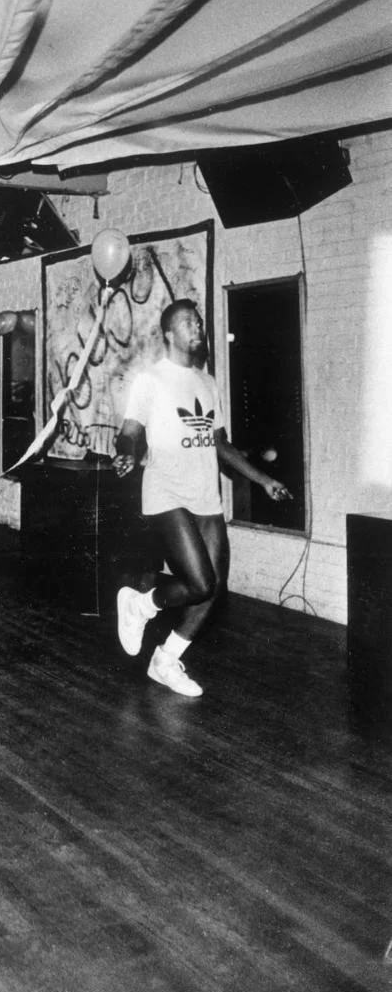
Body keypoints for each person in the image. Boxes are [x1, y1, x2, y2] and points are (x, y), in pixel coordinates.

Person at [113, 299, 290, 699]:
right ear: (170, 334)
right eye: (188, 322)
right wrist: (125, 450)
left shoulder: (207, 383)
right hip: (165, 489)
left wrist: (262, 480)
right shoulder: (151, 380)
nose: (198, 327)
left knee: (212, 588)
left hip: (204, 493)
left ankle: (165, 659)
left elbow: (220, 444)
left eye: (199, 321)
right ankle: (141, 606)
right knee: (199, 580)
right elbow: (130, 429)